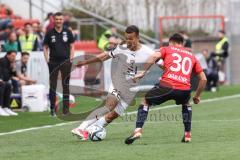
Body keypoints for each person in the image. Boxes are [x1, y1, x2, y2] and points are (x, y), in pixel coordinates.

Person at [71, 25, 162, 140]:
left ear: (137, 37)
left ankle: (92, 129)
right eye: (126, 38)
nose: (128, 41)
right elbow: (104, 56)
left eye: (131, 39)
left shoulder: (148, 52)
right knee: (109, 106)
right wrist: (86, 62)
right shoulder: (121, 48)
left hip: (132, 88)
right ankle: (81, 128)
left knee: (114, 115)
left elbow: (162, 64)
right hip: (118, 81)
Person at [124, 33, 207, 144]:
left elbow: (153, 56)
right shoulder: (192, 56)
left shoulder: (167, 49)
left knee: (145, 100)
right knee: (186, 103)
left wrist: (143, 72)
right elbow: (203, 79)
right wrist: (197, 96)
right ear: (182, 43)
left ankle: (138, 130)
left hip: (167, 86)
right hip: (184, 89)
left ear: (171, 42)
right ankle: (187, 134)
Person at [43, 12, 75, 116]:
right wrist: (47, 59)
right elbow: (45, 47)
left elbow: (72, 45)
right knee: (53, 85)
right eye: (57, 19)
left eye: (60, 19)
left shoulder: (67, 31)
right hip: (53, 62)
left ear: (63, 20)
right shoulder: (49, 32)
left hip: (65, 61)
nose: (58, 21)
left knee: (65, 85)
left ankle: (66, 110)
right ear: (54, 20)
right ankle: (52, 109)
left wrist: (71, 58)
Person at [0, 50, 18, 116]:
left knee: (8, 85)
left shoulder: (10, 63)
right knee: (3, 84)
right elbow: (1, 72)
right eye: (12, 56)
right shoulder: (2, 61)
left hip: (4, 81)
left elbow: (13, 75)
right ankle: (0, 106)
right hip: (1, 81)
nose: (14, 57)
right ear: (8, 55)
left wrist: (13, 68)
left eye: (15, 56)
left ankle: (6, 107)